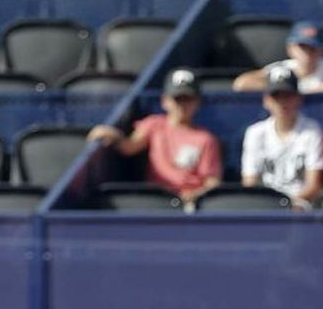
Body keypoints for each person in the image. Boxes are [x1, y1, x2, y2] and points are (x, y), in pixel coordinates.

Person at [87, 68, 222, 206]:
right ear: (165, 101)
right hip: (157, 200)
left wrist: (193, 196)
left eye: (188, 99)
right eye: (177, 99)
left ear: (197, 102)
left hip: (189, 205)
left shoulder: (206, 139)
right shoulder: (153, 125)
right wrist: (113, 135)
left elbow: (212, 181)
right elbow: (129, 146)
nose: (182, 105)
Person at [240, 64, 323, 207]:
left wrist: (288, 205)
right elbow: (250, 182)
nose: (282, 103)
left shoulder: (312, 131)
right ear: (266, 101)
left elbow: (313, 184)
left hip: (300, 206)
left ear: (298, 99)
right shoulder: (255, 133)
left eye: (288, 96)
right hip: (264, 207)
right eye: (276, 97)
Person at [232, 20, 323, 95]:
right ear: (290, 49)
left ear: (322, 50)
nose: (307, 53)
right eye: (302, 47)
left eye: (313, 48)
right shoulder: (282, 68)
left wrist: (305, 91)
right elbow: (241, 83)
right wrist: (282, 89)